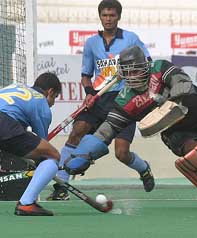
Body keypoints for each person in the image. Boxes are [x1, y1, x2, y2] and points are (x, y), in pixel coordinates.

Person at [64, 45, 197, 202]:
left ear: (145, 65)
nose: (133, 77)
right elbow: (107, 130)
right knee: (194, 154)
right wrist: (85, 154)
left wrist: (170, 99)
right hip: (174, 130)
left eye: (136, 71)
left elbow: (182, 81)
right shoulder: (125, 100)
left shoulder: (159, 67)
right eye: (128, 72)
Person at [46, 0, 154, 201]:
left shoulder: (131, 39)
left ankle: (144, 169)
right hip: (99, 98)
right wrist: (88, 92)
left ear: (118, 17)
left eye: (112, 15)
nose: (108, 19)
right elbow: (86, 74)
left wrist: (130, 73)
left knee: (121, 153)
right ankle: (61, 186)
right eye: (105, 15)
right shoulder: (91, 43)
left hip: (125, 100)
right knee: (75, 134)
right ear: (100, 17)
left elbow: (147, 63)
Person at [0, 72, 62, 216]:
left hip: (6, 124)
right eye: (55, 97)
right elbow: (43, 145)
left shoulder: (16, 87)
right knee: (52, 155)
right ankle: (27, 203)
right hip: (4, 124)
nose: (53, 103)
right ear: (50, 91)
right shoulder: (41, 102)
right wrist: (43, 163)